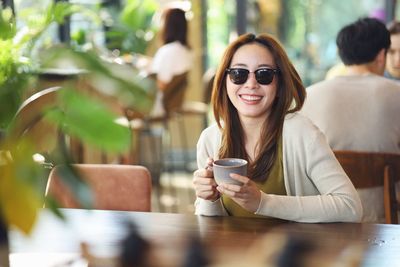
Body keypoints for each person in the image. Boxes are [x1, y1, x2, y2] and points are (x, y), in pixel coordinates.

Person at [192, 33, 362, 223]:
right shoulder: (210, 138)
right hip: (233, 252)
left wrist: (262, 202)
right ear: (225, 80)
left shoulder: (302, 133)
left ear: (279, 83)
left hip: (294, 251)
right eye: (238, 74)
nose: (251, 84)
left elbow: (350, 207)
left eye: (264, 74)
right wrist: (209, 198)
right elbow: (211, 228)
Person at [301, 17, 400, 223]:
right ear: (381, 55)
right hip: (388, 219)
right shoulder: (396, 94)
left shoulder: (308, 97)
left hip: (326, 217)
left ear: (341, 55)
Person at [150, 8, 192, 116]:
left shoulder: (167, 51)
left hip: (157, 106)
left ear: (168, 25)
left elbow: (162, 84)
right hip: (174, 103)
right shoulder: (186, 51)